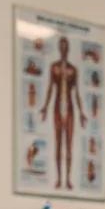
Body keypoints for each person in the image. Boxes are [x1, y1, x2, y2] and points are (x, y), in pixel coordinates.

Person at [41, 36, 87, 190]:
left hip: (70, 108)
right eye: (61, 46)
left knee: (68, 146)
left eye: (66, 46)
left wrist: (81, 112)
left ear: (68, 49)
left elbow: (77, 93)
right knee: (58, 144)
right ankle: (59, 179)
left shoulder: (73, 70)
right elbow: (50, 88)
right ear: (59, 48)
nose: (63, 49)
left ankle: (67, 179)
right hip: (57, 107)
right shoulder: (54, 67)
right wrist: (45, 107)